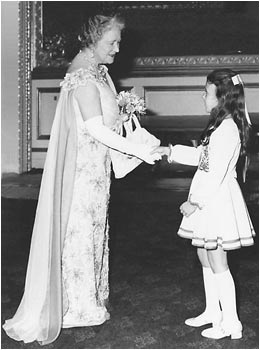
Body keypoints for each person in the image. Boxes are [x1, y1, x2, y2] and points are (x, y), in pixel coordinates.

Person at [3, 13, 161, 345]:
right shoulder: (85, 79)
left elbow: (108, 121)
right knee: (78, 236)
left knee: (94, 232)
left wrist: (136, 135)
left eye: (119, 41)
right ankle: (75, 307)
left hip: (96, 171)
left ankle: (88, 299)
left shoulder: (98, 72)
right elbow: (95, 129)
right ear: (92, 40)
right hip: (81, 174)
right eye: (112, 42)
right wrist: (141, 153)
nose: (118, 48)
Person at [153, 69, 255, 340]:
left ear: (221, 98)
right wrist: (171, 151)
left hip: (216, 200)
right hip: (210, 197)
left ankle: (231, 323)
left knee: (217, 259)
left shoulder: (228, 129)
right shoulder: (218, 125)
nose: (202, 95)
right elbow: (203, 157)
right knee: (204, 255)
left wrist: (195, 203)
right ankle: (213, 311)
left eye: (206, 92)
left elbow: (217, 172)